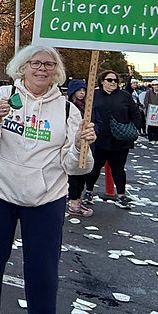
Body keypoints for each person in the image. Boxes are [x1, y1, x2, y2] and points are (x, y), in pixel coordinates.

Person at [0, 45, 94, 314]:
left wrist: (82, 146)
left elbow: (76, 167)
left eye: (49, 65)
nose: (42, 69)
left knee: (43, 270)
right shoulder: (3, 96)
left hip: (47, 198)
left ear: (57, 72)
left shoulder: (68, 110)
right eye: (35, 63)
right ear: (21, 68)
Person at [82, 70, 145, 207]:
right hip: (99, 139)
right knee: (94, 167)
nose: (113, 83)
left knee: (119, 168)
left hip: (120, 140)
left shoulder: (124, 96)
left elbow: (135, 114)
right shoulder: (94, 95)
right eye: (109, 80)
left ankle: (121, 195)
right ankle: (89, 191)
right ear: (102, 81)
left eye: (115, 80)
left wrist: (132, 129)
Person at [65, 79, 92, 216]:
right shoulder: (68, 107)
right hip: (72, 143)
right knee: (74, 174)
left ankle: (77, 199)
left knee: (83, 172)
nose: (82, 93)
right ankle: (73, 202)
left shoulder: (88, 107)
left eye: (84, 90)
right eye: (79, 90)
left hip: (86, 143)